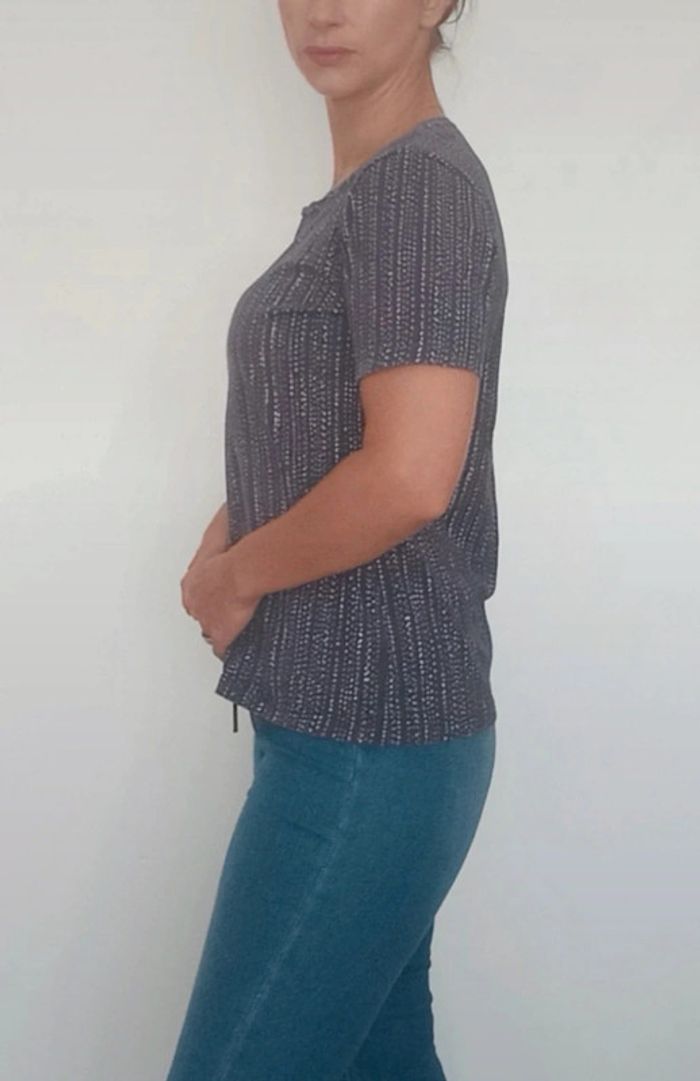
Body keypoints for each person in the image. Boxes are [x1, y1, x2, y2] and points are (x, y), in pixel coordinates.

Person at [171, 1, 508, 1078]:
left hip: (369, 740)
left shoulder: (417, 190)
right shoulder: (371, 195)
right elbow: (325, 433)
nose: (323, 8)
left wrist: (235, 577)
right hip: (352, 729)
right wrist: (229, 528)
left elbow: (408, 474)